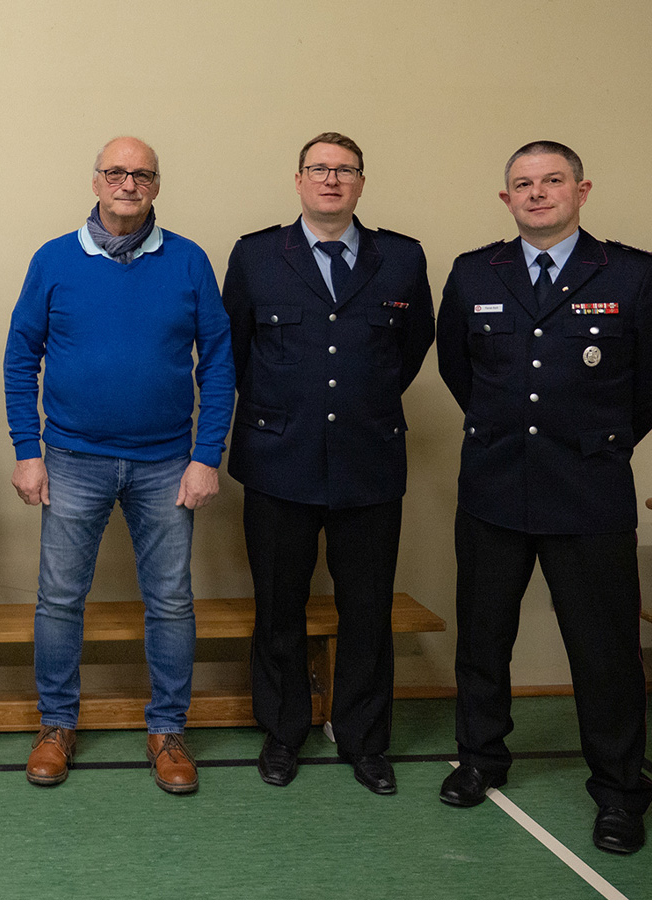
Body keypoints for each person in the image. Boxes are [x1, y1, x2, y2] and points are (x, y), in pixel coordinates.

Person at [435, 140, 652, 854]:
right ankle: (480, 759)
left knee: (604, 653)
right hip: (493, 487)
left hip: (588, 491)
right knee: (483, 640)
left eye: (552, 181)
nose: (537, 193)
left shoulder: (633, 273)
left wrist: (603, 436)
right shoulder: (474, 271)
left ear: (582, 190)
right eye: (523, 183)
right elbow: (460, 367)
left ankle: (618, 793)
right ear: (506, 199)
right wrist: (505, 428)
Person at [5, 136, 234, 793]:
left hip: (167, 463)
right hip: (71, 457)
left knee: (169, 602)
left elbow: (218, 362)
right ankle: (56, 726)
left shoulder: (189, 262)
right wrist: (28, 450)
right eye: (116, 172)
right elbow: (21, 355)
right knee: (58, 601)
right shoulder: (54, 260)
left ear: (156, 185)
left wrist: (204, 456)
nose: (127, 183)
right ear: (96, 180)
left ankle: (167, 731)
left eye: (141, 174)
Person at [222, 133, 434, 794]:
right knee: (278, 606)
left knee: (366, 610)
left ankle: (364, 739)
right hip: (278, 459)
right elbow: (234, 349)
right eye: (320, 169)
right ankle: (284, 732)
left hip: (368, 462)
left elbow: (413, 343)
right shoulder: (257, 256)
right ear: (298, 180)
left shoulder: (399, 258)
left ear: (362, 183)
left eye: (345, 170)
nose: (332, 180)